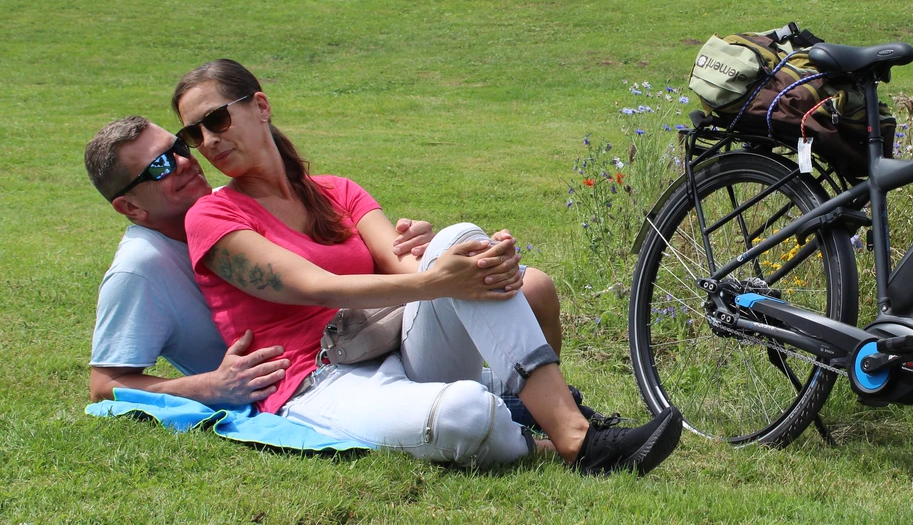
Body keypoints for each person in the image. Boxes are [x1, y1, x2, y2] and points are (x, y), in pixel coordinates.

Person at [170, 58, 680, 474]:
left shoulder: (337, 191)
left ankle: (577, 438)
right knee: (466, 413)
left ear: (260, 107)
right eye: (194, 134)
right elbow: (314, 286)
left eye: (216, 119)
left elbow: (403, 263)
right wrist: (436, 279)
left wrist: (475, 259)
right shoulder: (212, 215)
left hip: (394, 345)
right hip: (317, 380)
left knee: (460, 238)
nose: (209, 141)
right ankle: (533, 425)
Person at [83, 116, 564, 411]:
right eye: (160, 167)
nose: (186, 163)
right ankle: (548, 424)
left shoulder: (237, 212)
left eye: (178, 148)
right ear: (130, 207)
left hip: (360, 338)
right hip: (310, 373)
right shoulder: (141, 267)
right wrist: (209, 386)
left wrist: (414, 250)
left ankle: (551, 408)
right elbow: (105, 385)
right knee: (463, 411)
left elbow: (329, 269)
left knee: (533, 285)